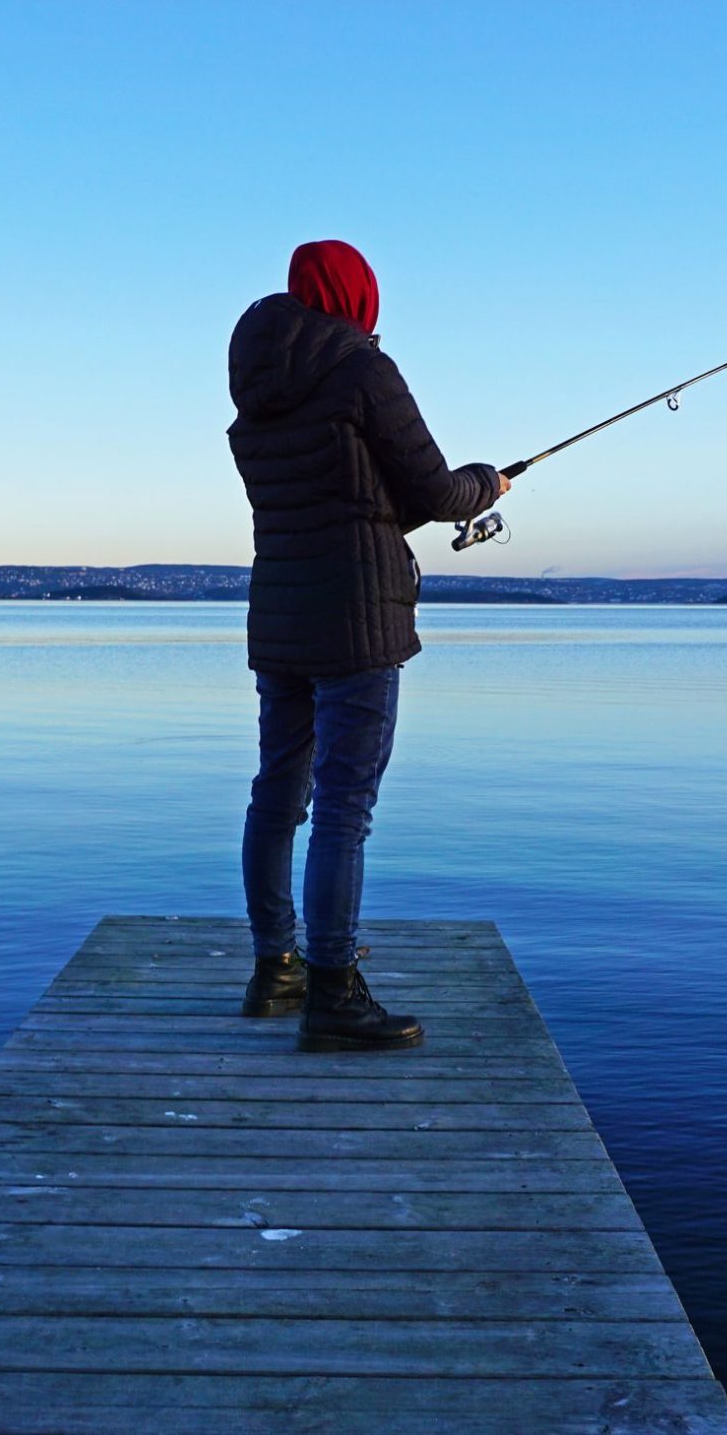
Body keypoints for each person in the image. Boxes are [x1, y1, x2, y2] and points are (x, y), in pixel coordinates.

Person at [225, 240, 508, 1052]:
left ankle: (274, 969)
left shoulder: (256, 392)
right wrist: (486, 484)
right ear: (357, 298)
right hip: (356, 619)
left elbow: (353, 501)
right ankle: (334, 995)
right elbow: (431, 491)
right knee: (344, 808)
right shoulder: (362, 371)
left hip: (281, 613)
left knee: (279, 792)